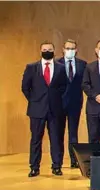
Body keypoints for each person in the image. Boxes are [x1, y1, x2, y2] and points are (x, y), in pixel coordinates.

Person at [22, 41, 68, 177]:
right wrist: (35, 100)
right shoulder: (31, 67)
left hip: (55, 110)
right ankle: (34, 167)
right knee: (36, 139)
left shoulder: (60, 68)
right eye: (44, 49)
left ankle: (57, 166)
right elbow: (25, 87)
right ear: (40, 50)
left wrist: (56, 100)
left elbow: (64, 87)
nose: (47, 51)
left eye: (50, 49)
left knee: (56, 139)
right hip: (37, 110)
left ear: (54, 51)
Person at [56, 39, 87, 168]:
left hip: (75, 103)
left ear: (76, 50)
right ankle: (58, 161)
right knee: (58, 133)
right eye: (68, 48)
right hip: (59, 104)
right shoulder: (56, 63)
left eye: (72, 48)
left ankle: (74, 160)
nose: (70, 50)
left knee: (73, 133)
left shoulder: (82, 64)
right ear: (63, 49)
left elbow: (85, 83)